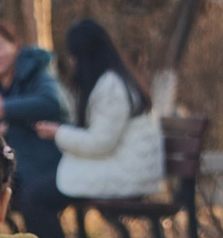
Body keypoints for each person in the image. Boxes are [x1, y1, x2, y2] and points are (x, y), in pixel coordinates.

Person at [0, 23, 80, 238]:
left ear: (16, 47)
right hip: (22, 165)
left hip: (56, 164)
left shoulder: (37, 69)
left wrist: (6, 110)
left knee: (32, 197)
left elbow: (53, 103)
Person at [43, 17, 164, 205]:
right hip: (127, 167)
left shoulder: (112, 88)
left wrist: (58, 133)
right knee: (41, 187)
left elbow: (100, 143)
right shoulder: (114, 80)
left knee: (35, 197)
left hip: (129, 175)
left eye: (73, 56)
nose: (72, 62)